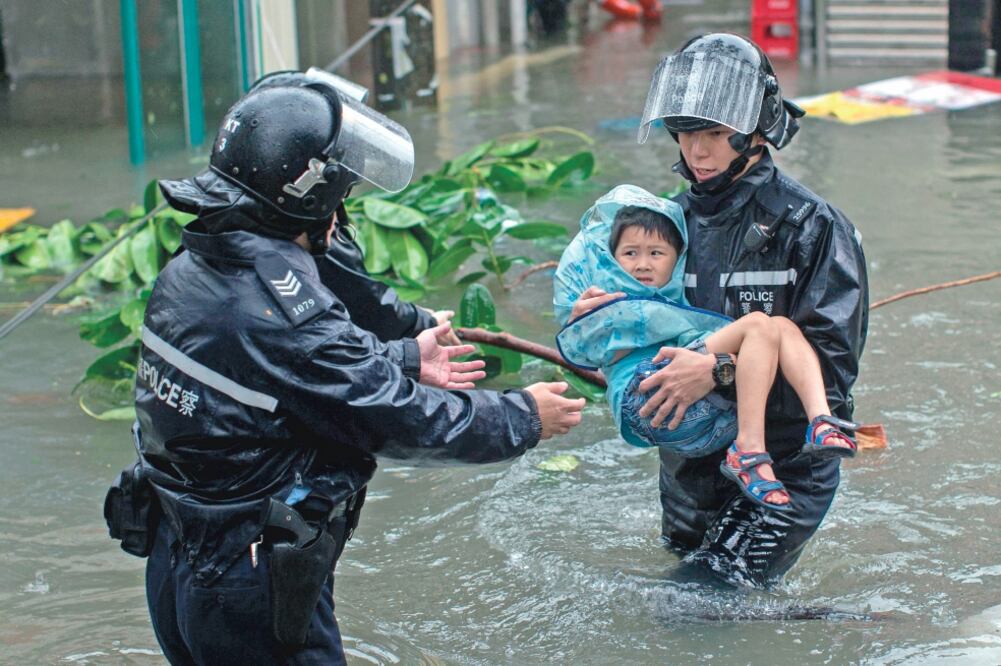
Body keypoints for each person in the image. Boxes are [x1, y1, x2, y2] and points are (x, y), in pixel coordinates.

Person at [111, 74, 585, 665]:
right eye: (338, 201)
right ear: (310, 202)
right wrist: (524, 415)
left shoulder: (197, 265)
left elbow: (280, 379)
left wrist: (409, 355)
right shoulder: (284, 309)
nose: (342, 216)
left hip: (181, 559)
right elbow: (399, 418)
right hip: (249, 581)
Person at [570, 33, 869, 587]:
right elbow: (634, 337)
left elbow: (829, 378)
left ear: (757, 130)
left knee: (692, 607)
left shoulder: (813, 228)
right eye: (684, 134)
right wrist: (599, 320)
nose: (696, 153)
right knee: (696, 599)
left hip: (784, 467)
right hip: (688, 467)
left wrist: (716, 372)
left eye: (712, 135)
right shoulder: (664, 227)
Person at [554, 190, 858, 511]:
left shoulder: (676, 300)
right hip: (647, 399)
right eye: (630, 253)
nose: (642, 264)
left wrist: (717, 367)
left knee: (779, 326)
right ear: (614, 259)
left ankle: (823, 420)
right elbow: (590, 349)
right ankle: (748, 448)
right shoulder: (611, 302)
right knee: (758, 324)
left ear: (679, 260)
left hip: (706, 420)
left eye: (656, 253)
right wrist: (585, 320)